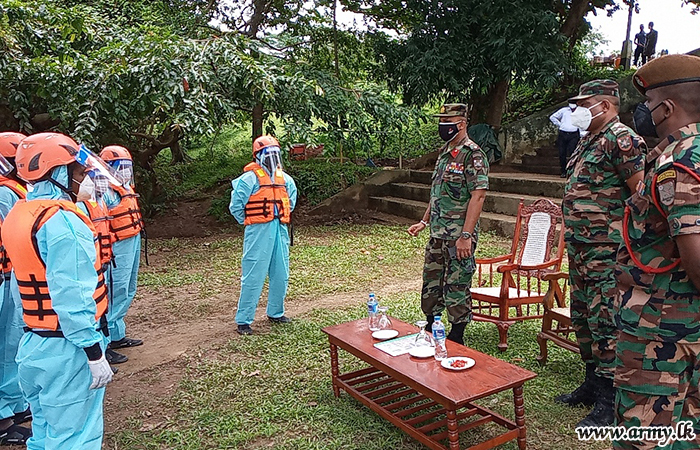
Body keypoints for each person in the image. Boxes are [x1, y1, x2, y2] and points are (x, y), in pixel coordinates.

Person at [2, 132, 114, 449]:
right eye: (78, 172)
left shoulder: (19, 215)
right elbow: (72, 296)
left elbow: (19, 290)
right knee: (75, 437)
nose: (85, 179)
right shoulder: (64, 222)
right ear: (58, 173)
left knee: (44, 432)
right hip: (68, 347)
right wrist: (93, 351)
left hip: (33, 343)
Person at [614, 54, 700, 449]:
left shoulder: (679, 163)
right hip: (686, 327)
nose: (643, 112)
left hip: (661, 332)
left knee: (644, 438)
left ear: (666, 108)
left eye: (647, 104)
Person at [558, 80, 646, 428]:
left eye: (585, 104)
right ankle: (591, 383)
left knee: (606, 319)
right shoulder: (588, 140)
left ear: (606, 106)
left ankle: (609, 401)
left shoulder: (622, 140)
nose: (578, 111)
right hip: (581, 247)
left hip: (607, 251)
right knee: (583, 316)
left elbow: (639, 195)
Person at [407, 103, 488, 345]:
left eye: (447, 122)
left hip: (458, 235)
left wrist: (466, 235)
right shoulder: (445, 152)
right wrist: (424, 221)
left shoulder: (472, 154)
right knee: (431, 282)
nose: (442, 126)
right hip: (438, 232)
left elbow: (478, 196)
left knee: (456, 284)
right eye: (441, 121)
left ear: (461, 124)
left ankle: (456, 336)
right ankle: (432, 328)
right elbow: (438, 193)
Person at [230, 136, 297, 336]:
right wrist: (251, 220)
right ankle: (244, 320)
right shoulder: (248, 179)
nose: (272, 158)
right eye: (268, 154)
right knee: (253, 274)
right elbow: (236, 206)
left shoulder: (286, 179)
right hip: (258, 230)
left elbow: (291, 202)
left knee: (281, 273)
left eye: (276, 153)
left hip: (280, 229)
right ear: (258, 156)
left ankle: (276, 312)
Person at [98, 146, 144, 364]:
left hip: (132, 241)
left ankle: (117, 334)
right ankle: (105, 341)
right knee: (115, 290)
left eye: (128, 166)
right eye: (120, 166)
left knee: (128, 288)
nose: (125, 171)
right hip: (117, 248)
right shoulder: (105, 192)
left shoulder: (126, 188)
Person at [0, 133, 31, 445]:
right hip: (4, 277)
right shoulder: (4, 194)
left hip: (11, 275)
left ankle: (14, 404)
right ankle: (3, 418)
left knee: (11, 342)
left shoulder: (15, 191)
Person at [549, 103, 583, 177]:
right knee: (562, 153)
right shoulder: (564, 110)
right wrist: (560, 124)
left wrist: (581, 134)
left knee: (572, 152)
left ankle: (571, 170)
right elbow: (553, 117)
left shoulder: (580, 112)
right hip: (563, 133)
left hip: (574, 134)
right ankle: (563, 171)